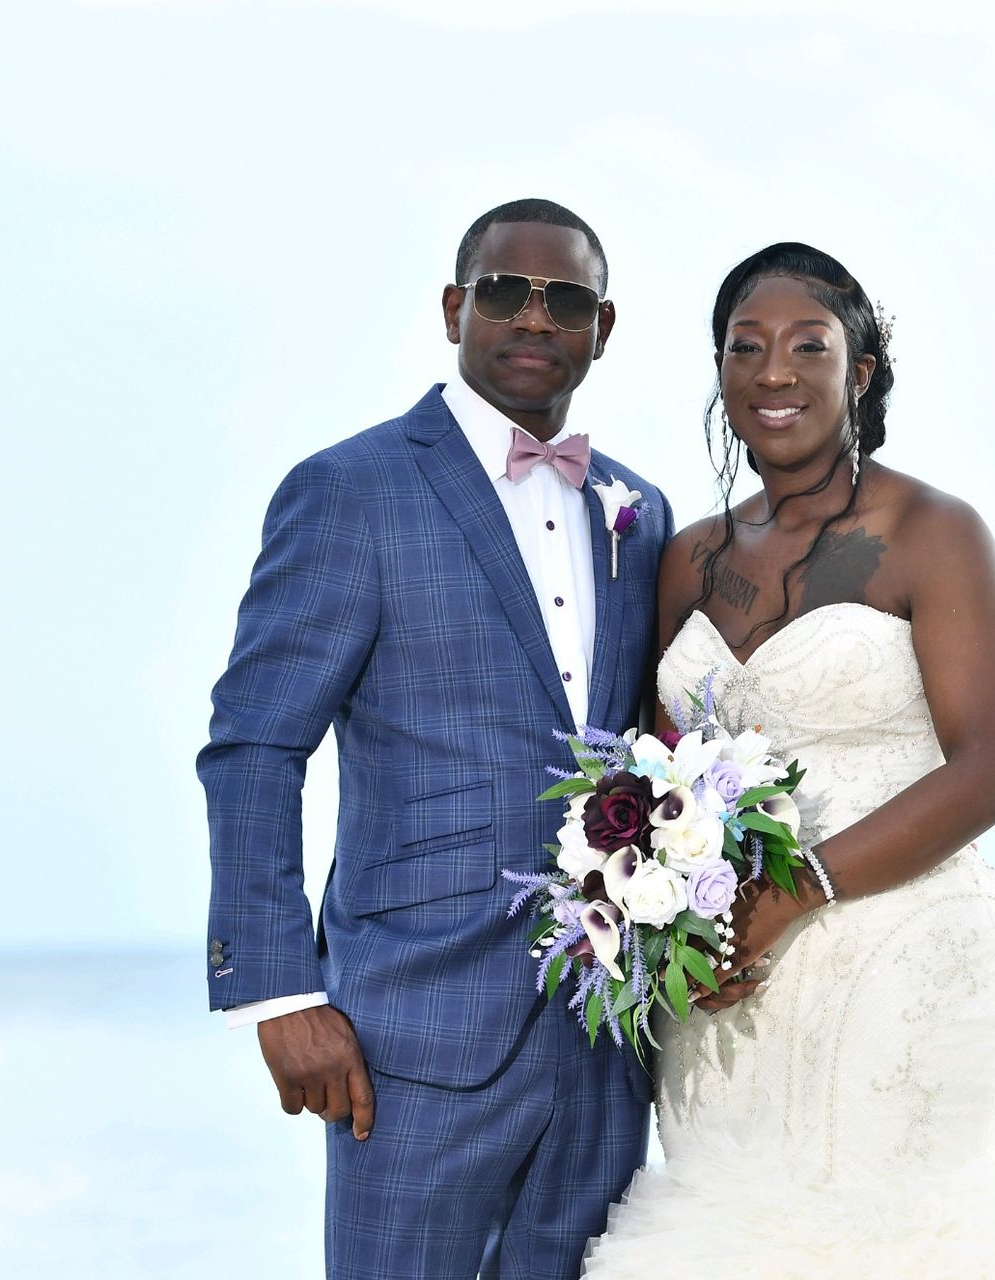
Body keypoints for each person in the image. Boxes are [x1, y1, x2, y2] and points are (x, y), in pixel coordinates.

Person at [581, 244, 995, 1276]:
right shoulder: (687, 555)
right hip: (726, 977)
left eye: (808, 345)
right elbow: (643, 765)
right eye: (746, 346)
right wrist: (669, 920)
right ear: (719, 374)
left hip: (898, 945)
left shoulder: (932, 531)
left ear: (860, 371)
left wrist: (795, 889)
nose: (775, 371)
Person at [198, 198, 671, 1280]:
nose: (535, 318)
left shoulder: (637, 509)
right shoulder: (350, 491)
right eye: (507, 290)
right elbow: (255, 745)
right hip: (407, 1036)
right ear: (457, 307)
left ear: (603, 331)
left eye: (569, 301)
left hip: (603, 1041)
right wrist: (280, 990)